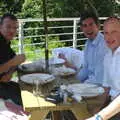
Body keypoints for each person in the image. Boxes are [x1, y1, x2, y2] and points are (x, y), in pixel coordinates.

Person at [86, 16, 120, 120]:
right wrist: (97, 109)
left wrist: (99, 117)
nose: (109, 37)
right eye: (106, 33)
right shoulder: (108, 55)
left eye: (114, 32)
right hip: (112, 103)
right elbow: (106, 87)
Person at [76, 10, 108, 84]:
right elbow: (86, 69)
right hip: (91, 83)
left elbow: (99, 78)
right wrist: (75, 80)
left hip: (102, 88)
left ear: (98, 26)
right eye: (85, 26)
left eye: (91, 24)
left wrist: (81, 86)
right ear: (82, 29)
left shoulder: (104, 45)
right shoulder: (88, 44)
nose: (88, 28)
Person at [0, 13, 25, 106]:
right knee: (25, 98)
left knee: (24, 89)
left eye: (15, 28)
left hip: (3, 83)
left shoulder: (5, 43)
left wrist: (9, 73)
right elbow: (14, 61)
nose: (12, 30)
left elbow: (16, 61)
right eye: (8, 27)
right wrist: (12, 62)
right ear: (0, 27)